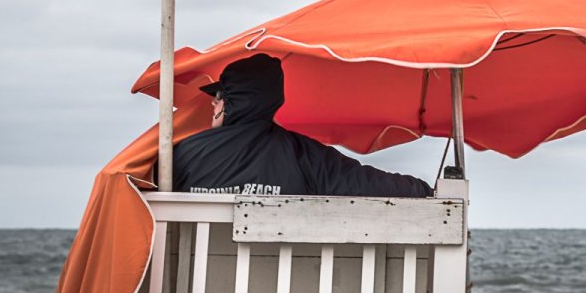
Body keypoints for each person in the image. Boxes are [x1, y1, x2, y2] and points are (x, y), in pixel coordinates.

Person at [173, 53, 433, 197]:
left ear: (230, 101)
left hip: (195, 290)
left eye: (216, 98)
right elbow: (363, 182)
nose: (212, 106)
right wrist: (421, 188)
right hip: (278, 288)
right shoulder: (301, 153)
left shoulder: (183, 154)